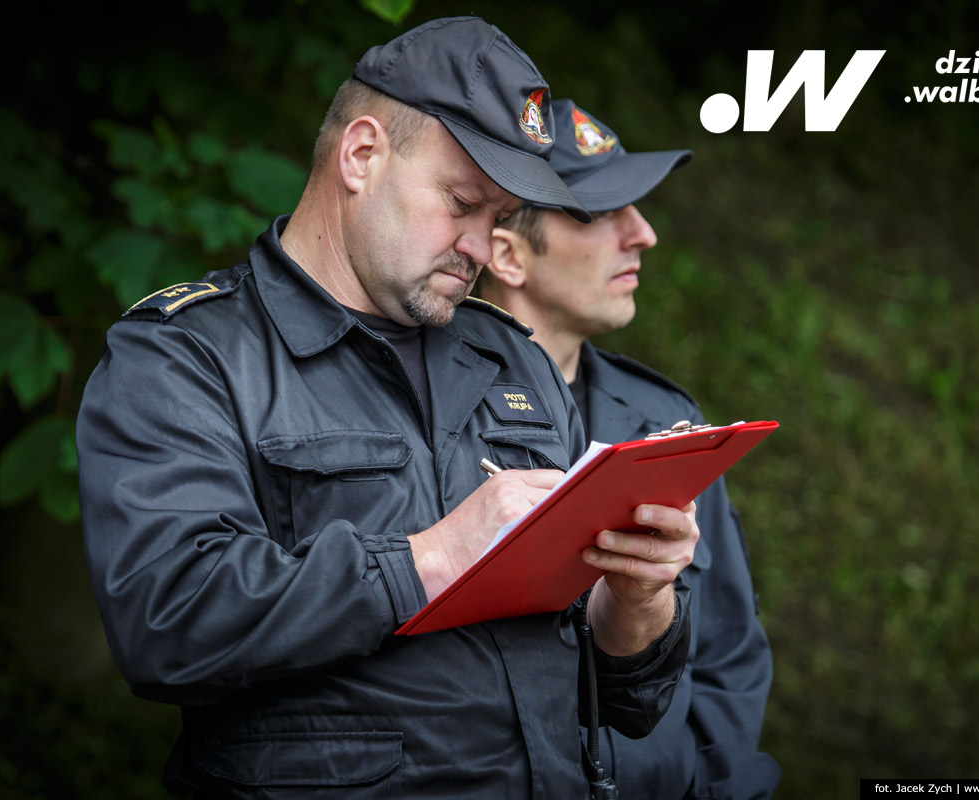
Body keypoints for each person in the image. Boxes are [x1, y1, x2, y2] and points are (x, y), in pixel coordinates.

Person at [76, 17, 702, 800]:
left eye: (500, 218)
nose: (480, 246)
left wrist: (635, 599)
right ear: (362, 154)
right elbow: (166, 621)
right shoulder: (188, 355)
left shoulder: (511, 357)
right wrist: (433, 556)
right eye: (462, 201)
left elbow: (624, 703)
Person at [480, 99, 781, 799]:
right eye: (599, 211)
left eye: (636, 209)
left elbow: (729, 656)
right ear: (507, 253)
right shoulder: (430, 415)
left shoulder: (665, 420)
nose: (642, 234)